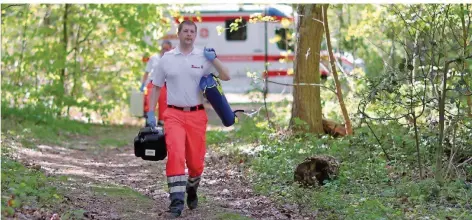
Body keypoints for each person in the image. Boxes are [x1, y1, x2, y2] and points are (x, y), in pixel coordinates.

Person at [146, 20, 230, 217]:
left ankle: (192, 188)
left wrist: (214, 58)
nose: (189, 34)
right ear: (179, 33)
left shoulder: (203, 57)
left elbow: (226, 76)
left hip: (197, 115)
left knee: (195, 162)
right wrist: (150, 112)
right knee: (175, 154)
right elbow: (156, 86)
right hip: (173, 114)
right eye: (186, 31)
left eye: (192, 31)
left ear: (195, 35)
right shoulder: (166, 59)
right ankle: (176, 202)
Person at [140, 40, 173, 126]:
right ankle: (148, 124)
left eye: (167, 49)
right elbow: (147, 72)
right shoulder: (154, 58)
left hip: (164, 85)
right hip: (153, 84)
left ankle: (160, 126)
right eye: (163, 48)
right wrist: (143, 84)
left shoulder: (172, 59)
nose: (165, 50)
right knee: (149, 105)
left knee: (163, 107)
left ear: (170, 49)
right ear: (161, 48)